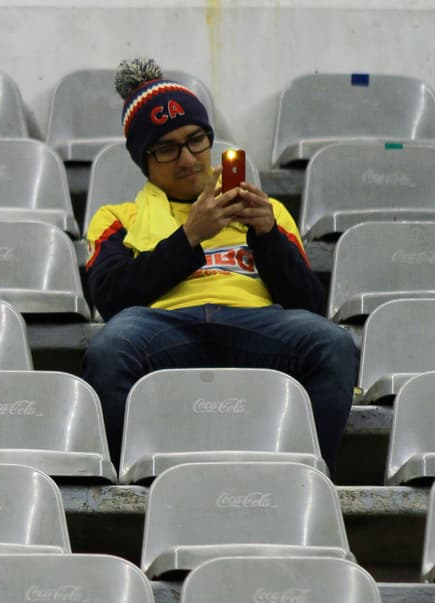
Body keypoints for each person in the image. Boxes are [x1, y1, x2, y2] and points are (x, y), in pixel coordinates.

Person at [81, 58, 357, 471]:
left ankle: (303, 479)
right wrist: (190, 235)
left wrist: (265, 237)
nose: (188, 159)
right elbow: (111, 300)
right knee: (109, 347)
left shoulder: (265, 208)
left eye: (196, 140)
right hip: (164, 331)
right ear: (144, 159)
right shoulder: (117, 218)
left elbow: (308, 305)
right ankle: (139, 478)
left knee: (333, 344)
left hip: (256, 327)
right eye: (167, 149)